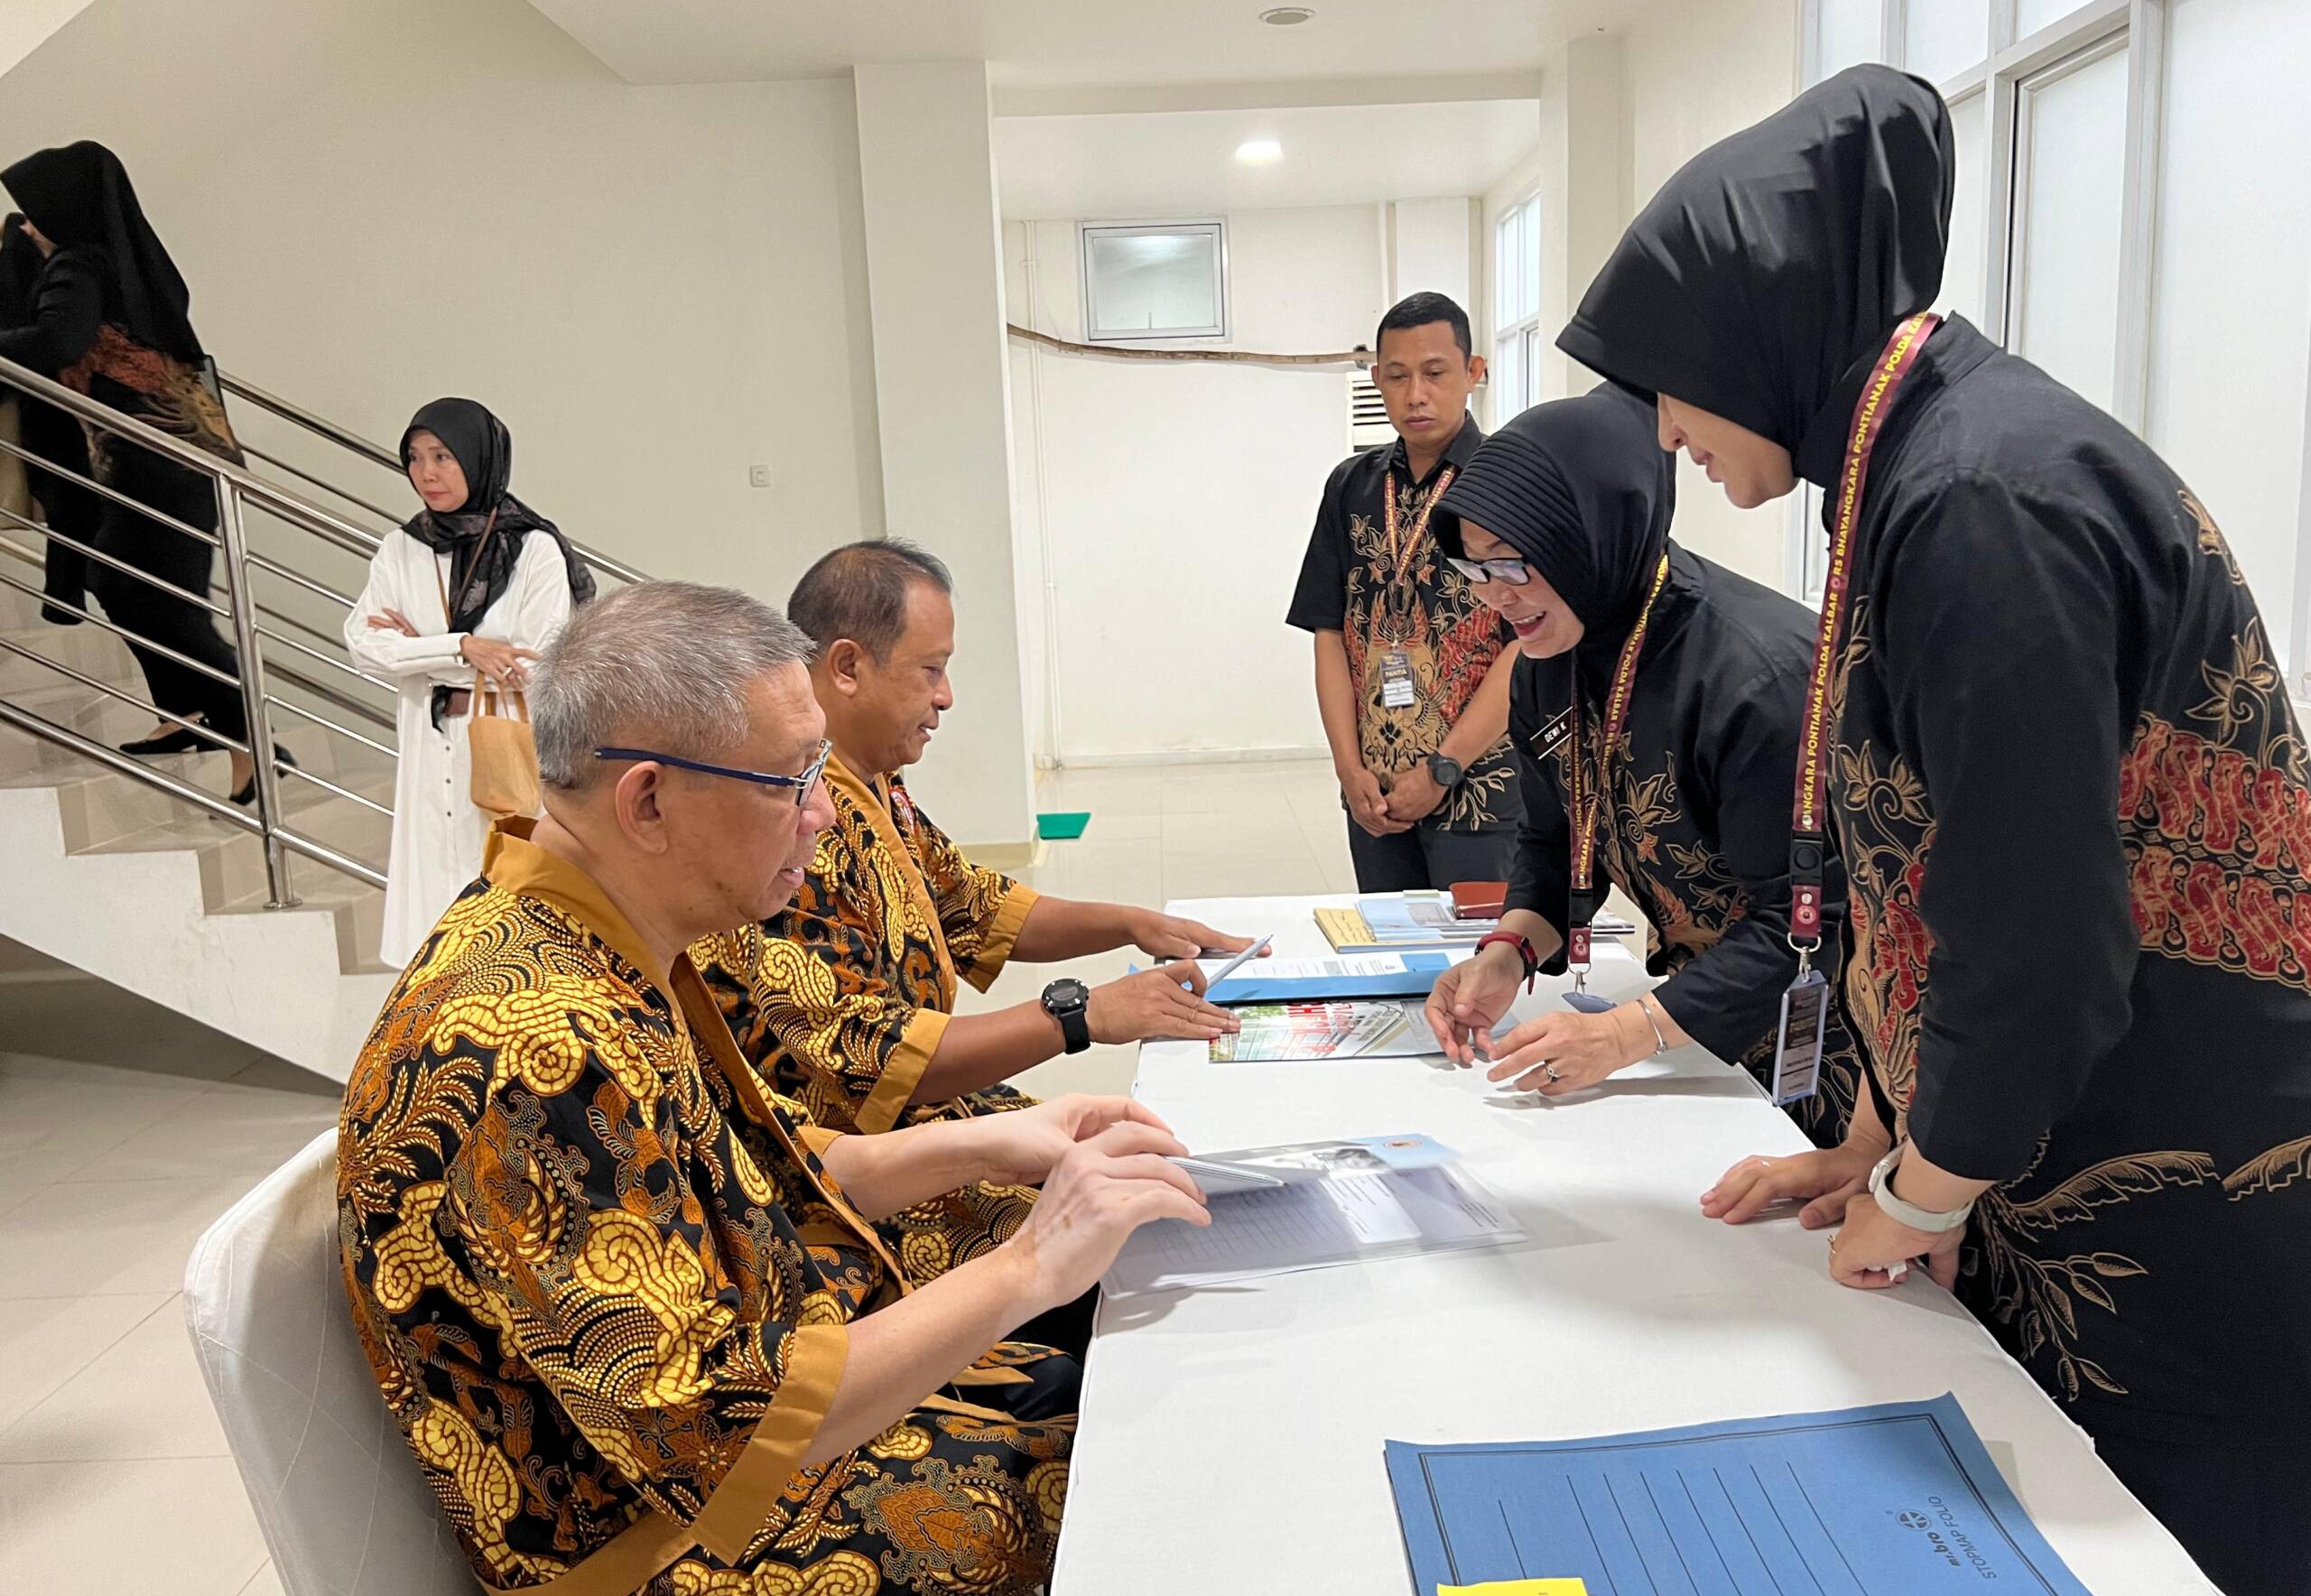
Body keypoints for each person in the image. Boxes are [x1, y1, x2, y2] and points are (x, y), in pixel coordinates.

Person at [1560, 64, 2311, 1596]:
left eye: (1668, 388)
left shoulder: (1980, 496)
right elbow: (1919, 862)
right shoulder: (1914, 468)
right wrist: (1880, 1134)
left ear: (1751, 336)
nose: (1670, 432)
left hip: (2181, 1168)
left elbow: (2034, 931)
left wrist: (1922, 1187)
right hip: (2056, 1135)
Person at [339, 580, 1208, 1596]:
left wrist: (1010, 1144)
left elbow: (782, 1162)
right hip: (660, 1582)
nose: (824, 811)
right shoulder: (530, 1045)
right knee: (1141, 1473)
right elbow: (731, 1428)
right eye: (792, 779)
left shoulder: (591, 931)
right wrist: (1029, 1264)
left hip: (742, 1441)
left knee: (1128, 1379)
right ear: (647, 801)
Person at [694, 538, 1256, 1150]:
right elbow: (871, 1058)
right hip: (850, 1160)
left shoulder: (875, 783)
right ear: (848, 667)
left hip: (928, 1119)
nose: (947, 696)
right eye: (930, 670)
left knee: (1143, 1145)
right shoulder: (797, 821)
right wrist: (1081, 1013)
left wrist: (1131, 923)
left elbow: (975, 908)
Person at [1420, 385, 1864, 1151]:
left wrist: (1627, 1035)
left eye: (1515, 564)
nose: (1495, 596)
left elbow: (1807, 921)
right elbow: (1554, 841)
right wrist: (1509, 950)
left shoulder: (1754, 683)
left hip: (1833, 1048)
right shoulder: (1546, 660)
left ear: (1589, 537)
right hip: (1698, 1028)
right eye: (1475, 568)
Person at [0, 142, 270, 802]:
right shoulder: (125, 260)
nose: (25, 225)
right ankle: (186, 712)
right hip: (179, 453)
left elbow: (58, 342)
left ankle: (251, 748)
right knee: (119, 581)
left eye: (33, 212)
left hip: (153, 460)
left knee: (163, 607)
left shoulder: (77, 262)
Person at [344, 398, 590, 969]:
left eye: (443, 456)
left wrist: (416, 648)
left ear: (479, 459)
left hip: (507, 741)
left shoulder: (534, 550)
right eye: (414, 458)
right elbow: (364, 647)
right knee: (432, 904)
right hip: (430, 748)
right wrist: (464, 647)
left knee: (512, 898)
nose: (426, 473)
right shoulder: (399, 550)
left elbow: (539, 662)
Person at [1286, 292, 1517, 892]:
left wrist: (1443, 769)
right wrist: (1348, 768)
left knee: (1480, 971)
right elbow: (1329, 632)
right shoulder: (1351, 486)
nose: (1416, 394)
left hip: (1481, 793)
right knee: (1388, 968)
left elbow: (1531, 648)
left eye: (1435, 373)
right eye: (1397, 376)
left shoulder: (1511, 483)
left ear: (1474, 373)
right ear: (1377, 380)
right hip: (1377, 799)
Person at [0, 211, 103, 620]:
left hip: (45, 401)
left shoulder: (53, 259)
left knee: (71, 500)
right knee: (73, 498)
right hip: (52, 402)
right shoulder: (44, 256)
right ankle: (68, 593)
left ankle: (67, 594)